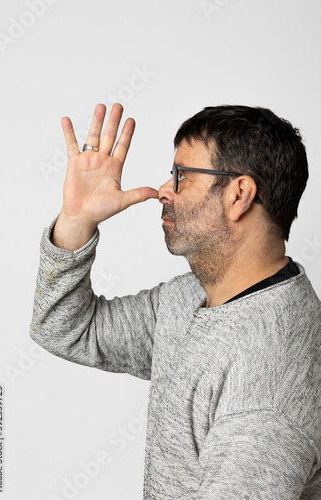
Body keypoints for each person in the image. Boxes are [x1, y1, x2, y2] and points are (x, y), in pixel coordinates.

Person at [30, 102, 321, 499]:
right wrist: (76, 222)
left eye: (181, 176)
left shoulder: (270, 379)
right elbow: (67, 330)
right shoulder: (189, 296)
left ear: (239, 194)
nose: (164, 190)